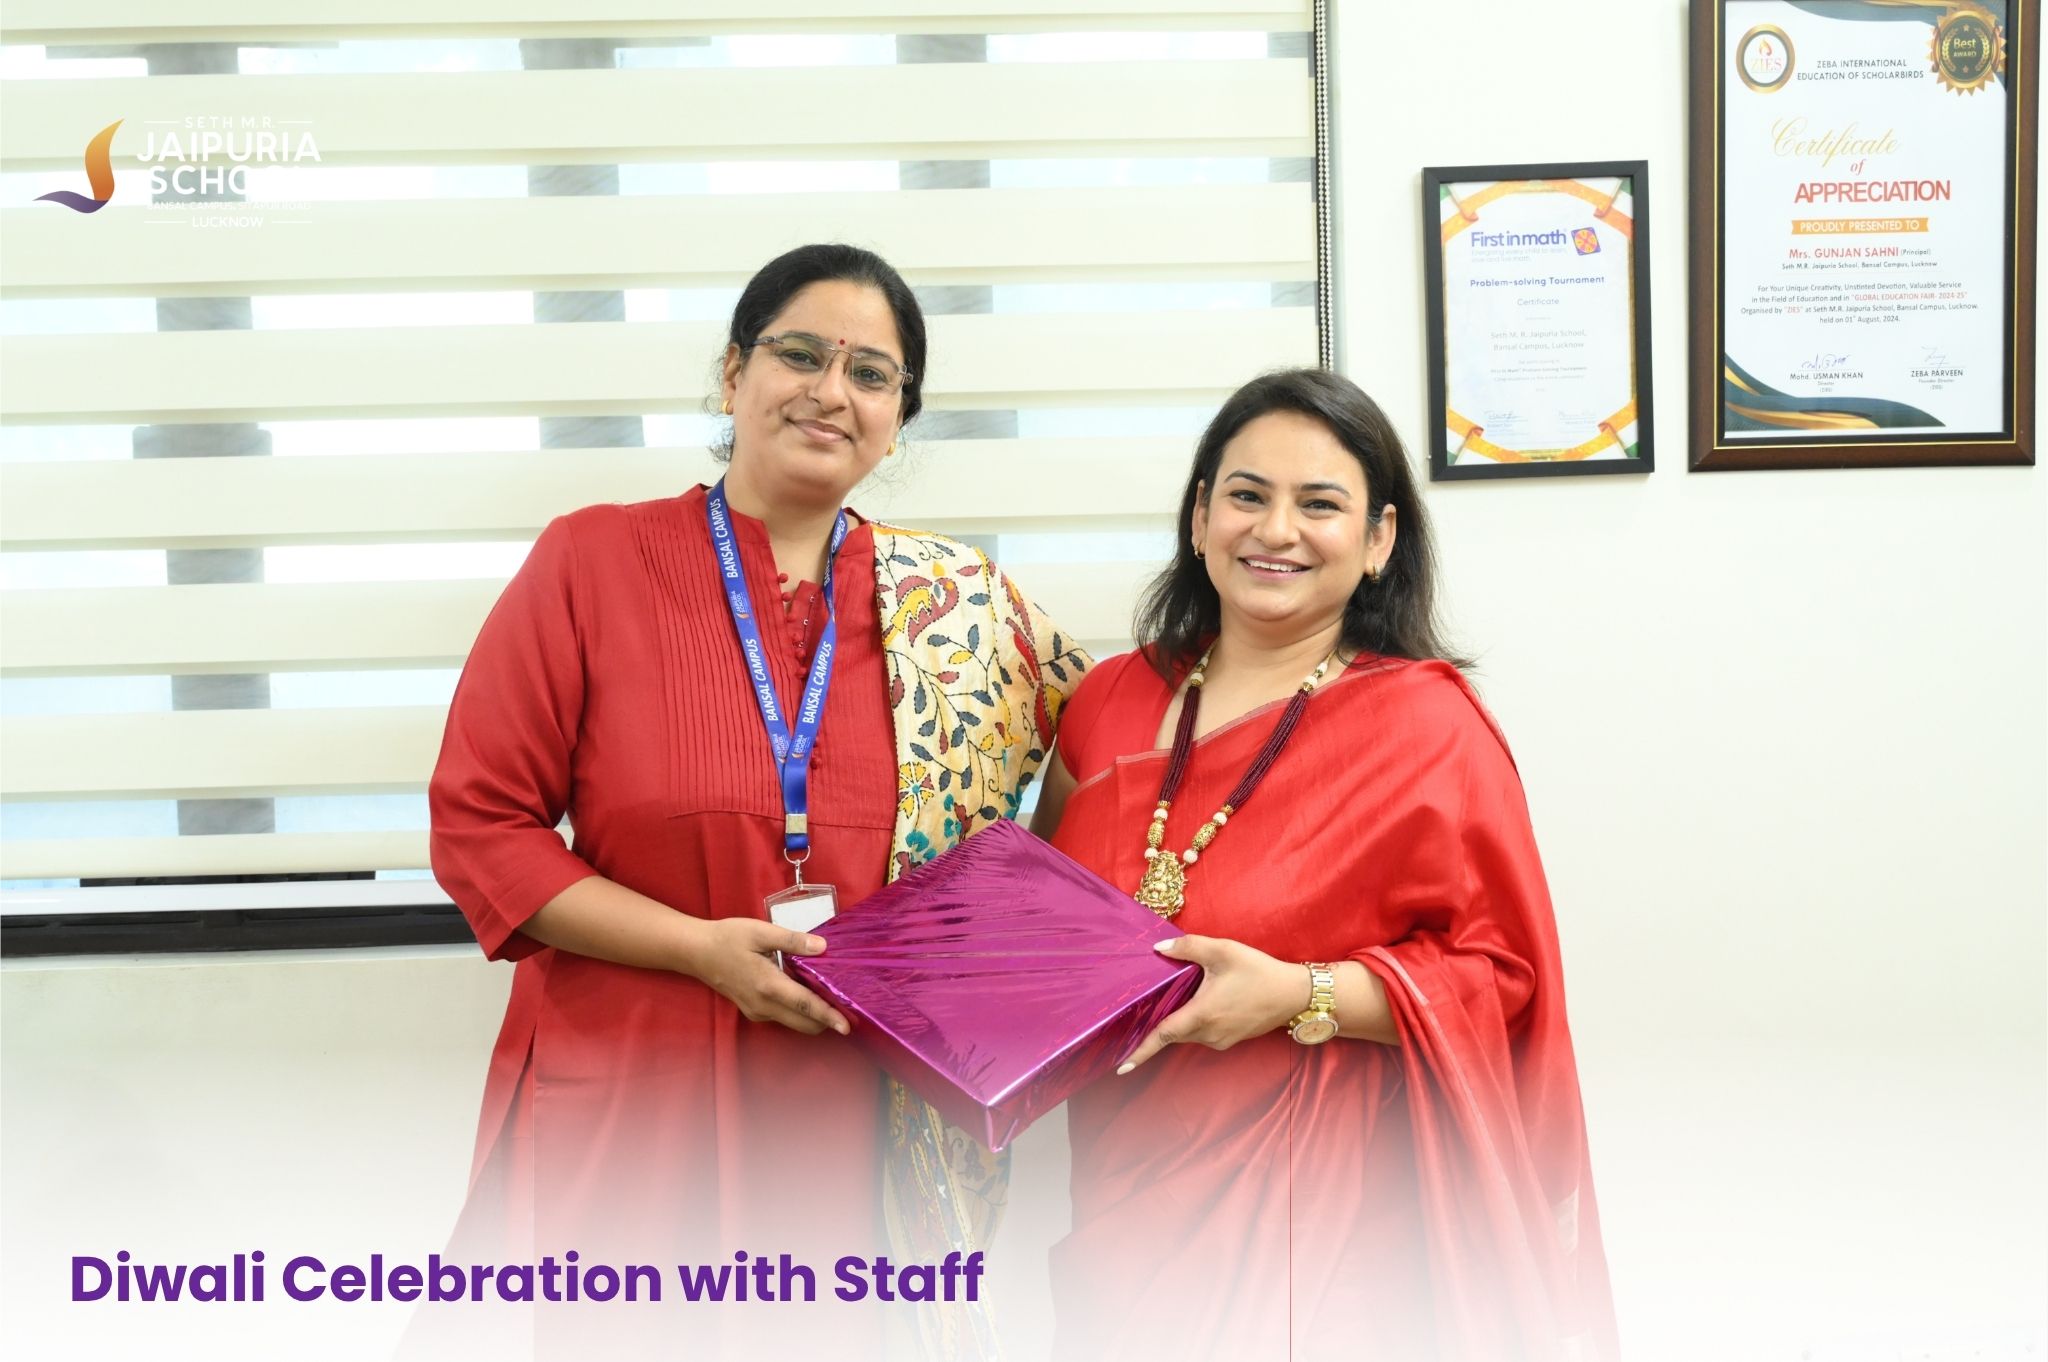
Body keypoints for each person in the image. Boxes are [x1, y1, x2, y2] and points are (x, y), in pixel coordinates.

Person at [423, 243, 1088, 1360]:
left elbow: (1110, 744)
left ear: (897, 421)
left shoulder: (958, 606)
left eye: (870, 374)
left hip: (857, 1106)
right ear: (733, 373)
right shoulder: (592, 560)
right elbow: (481, 826)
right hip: (639, 1085)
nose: (831, 391)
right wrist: (698, 949)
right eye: (799, 354)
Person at [1031, 368, 1616, 1361]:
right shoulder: (1110, 698)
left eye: (1319, 504)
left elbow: (1502, 986)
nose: (1276, 531)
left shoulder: (1428, 729)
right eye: (1247, 495)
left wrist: (1297, 995)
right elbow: (1038, 912)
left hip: (1333, 1231)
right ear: (1199, 516)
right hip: (1123, 1186)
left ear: (1379, 538)